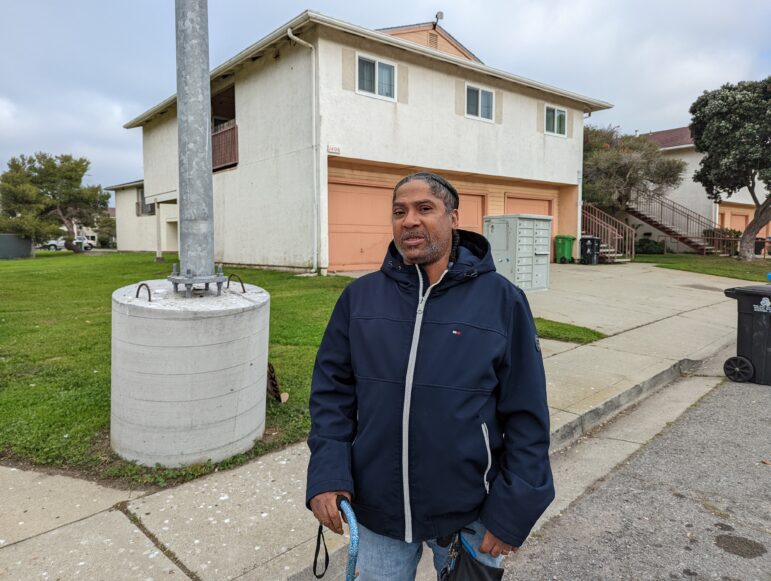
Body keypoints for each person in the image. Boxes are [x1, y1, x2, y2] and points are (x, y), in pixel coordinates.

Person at [306, 172, 554, 579]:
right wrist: (327, 473)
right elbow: (331, 394)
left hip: (470, 514)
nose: (409, 221)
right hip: (377, 510)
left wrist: (513, 509)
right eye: (399, 212)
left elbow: (527, 414)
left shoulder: (502, 301)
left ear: (453, 218)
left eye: (425, 209)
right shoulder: (360, 298)